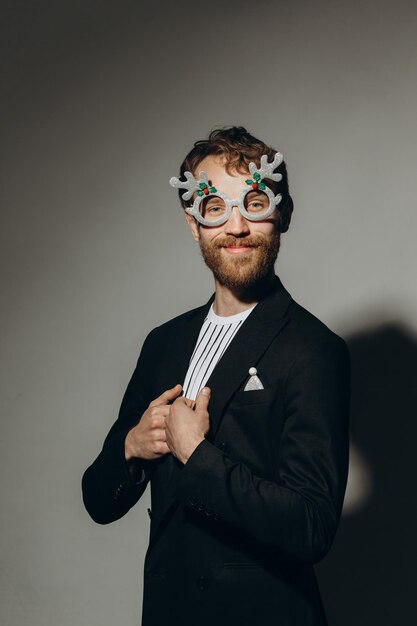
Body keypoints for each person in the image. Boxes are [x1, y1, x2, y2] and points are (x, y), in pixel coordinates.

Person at [82, 126, 350, 626]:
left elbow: (312, 527)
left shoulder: (314, 350)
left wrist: (198, 456)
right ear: (193, 225)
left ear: (282, 215)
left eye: (253, 203)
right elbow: (98, 500)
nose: (236, 226)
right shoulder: (163, 344)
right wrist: (130, 448)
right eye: (214, 209)